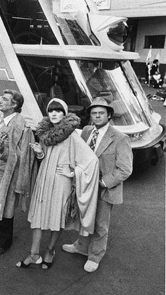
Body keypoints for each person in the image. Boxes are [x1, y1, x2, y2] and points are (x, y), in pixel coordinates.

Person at [17, 98, 99, 269]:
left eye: (58, 110)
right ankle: (33, 254)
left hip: (61, 182)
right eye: (51, 110)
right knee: (38, 217)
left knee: (57, 218)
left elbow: (91, 160)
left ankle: (50, 251)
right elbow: (45, 157)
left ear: (64, 113)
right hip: (44, 178)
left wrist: (73, 172)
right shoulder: (46, 133)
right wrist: (40, 153)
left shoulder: (72, 135)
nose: (54, 113)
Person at [62, 97, 133, 273]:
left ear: (109, 115)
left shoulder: (120, 138)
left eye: (101, 113)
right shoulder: (86, 131)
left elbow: (125, 169)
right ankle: (81, 246)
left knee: (100, 225)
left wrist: (103, 182)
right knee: (83, 218)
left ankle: (95, 256)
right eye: (94, 113)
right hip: (85, 185)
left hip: (104, 189)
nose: (97, 116)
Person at [0, 90, 36, 256]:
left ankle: (4, 242)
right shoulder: (1, 119)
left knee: (6, 204)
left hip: (7, 173)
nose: (0, 101)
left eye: (4, 99)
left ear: (14, 105)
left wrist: (4, 152)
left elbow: (22, 153)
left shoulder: (18, 124)